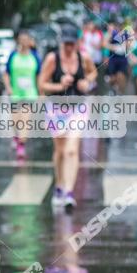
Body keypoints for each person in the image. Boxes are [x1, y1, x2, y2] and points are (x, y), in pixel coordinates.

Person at [38, 26, 97, 213]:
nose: (70, 47)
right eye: (66, 44)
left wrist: (87, 82)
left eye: (73, 43)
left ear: (77, 43)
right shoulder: (52, 59)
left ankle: (69, 192)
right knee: (60, 151)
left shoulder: (84, 58)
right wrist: (59, 85)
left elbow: (93, 73)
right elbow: (42, 84)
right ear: (61, 42)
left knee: (72, 150)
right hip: (56, 108)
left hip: (78, 108)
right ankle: (59, 184)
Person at [3, 30, 40, 160]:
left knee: (25, 119)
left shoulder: (35, 56)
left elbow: (39, 76)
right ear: (18, 41)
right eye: (21, 39)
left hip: (30, 94)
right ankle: (16, 137)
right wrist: (8, 87)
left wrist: (41, 92)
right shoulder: (13, 56)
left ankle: (21, 145)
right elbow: (6, 73)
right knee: (15, 121)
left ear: (30, 41)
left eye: (26, 39)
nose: (24, 42)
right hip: (15, 93)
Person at [103, 18, 132, 96]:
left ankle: (120, 92)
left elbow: (129, 46)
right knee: (112, 78)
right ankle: (113, 88)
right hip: (113, 58)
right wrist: (113, 47)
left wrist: (125, 47)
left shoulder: (126, 34)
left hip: (122, 59)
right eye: (117, 25)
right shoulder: (111, 34)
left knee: (120, 76)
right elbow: (104, 44)